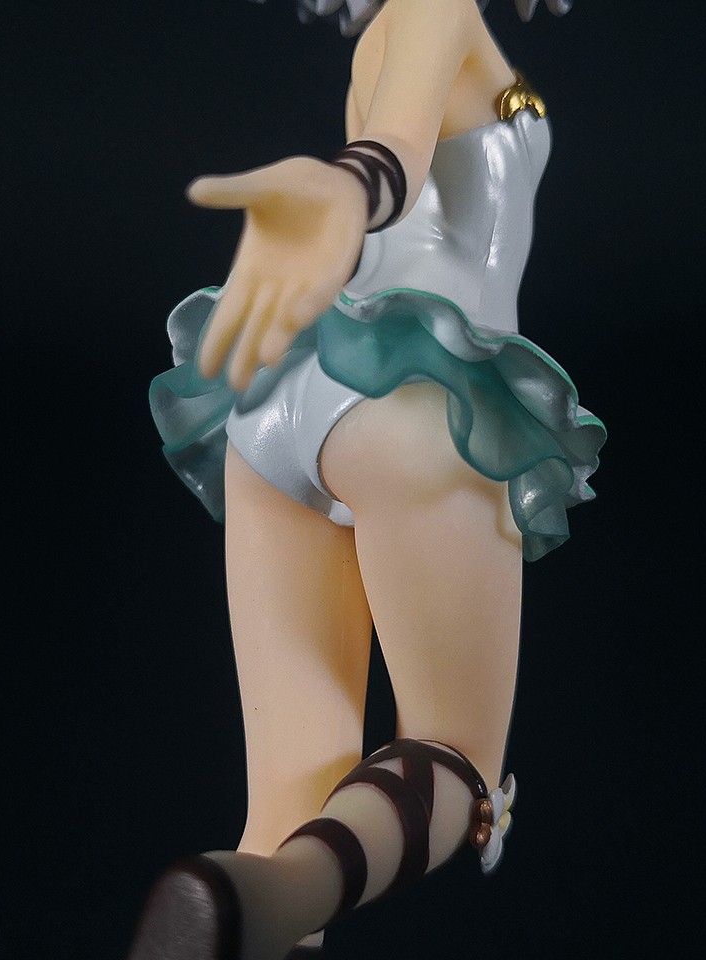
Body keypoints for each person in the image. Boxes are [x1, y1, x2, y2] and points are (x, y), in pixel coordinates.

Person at [139, 2, 603, 957]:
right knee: (456, 764)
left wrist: (351, 192)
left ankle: (248, 898)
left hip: (284, 395)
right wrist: (354, 186)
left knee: (286, 799)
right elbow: (393, 152)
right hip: (415, 393)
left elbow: (397, 145)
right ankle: (277, 896)